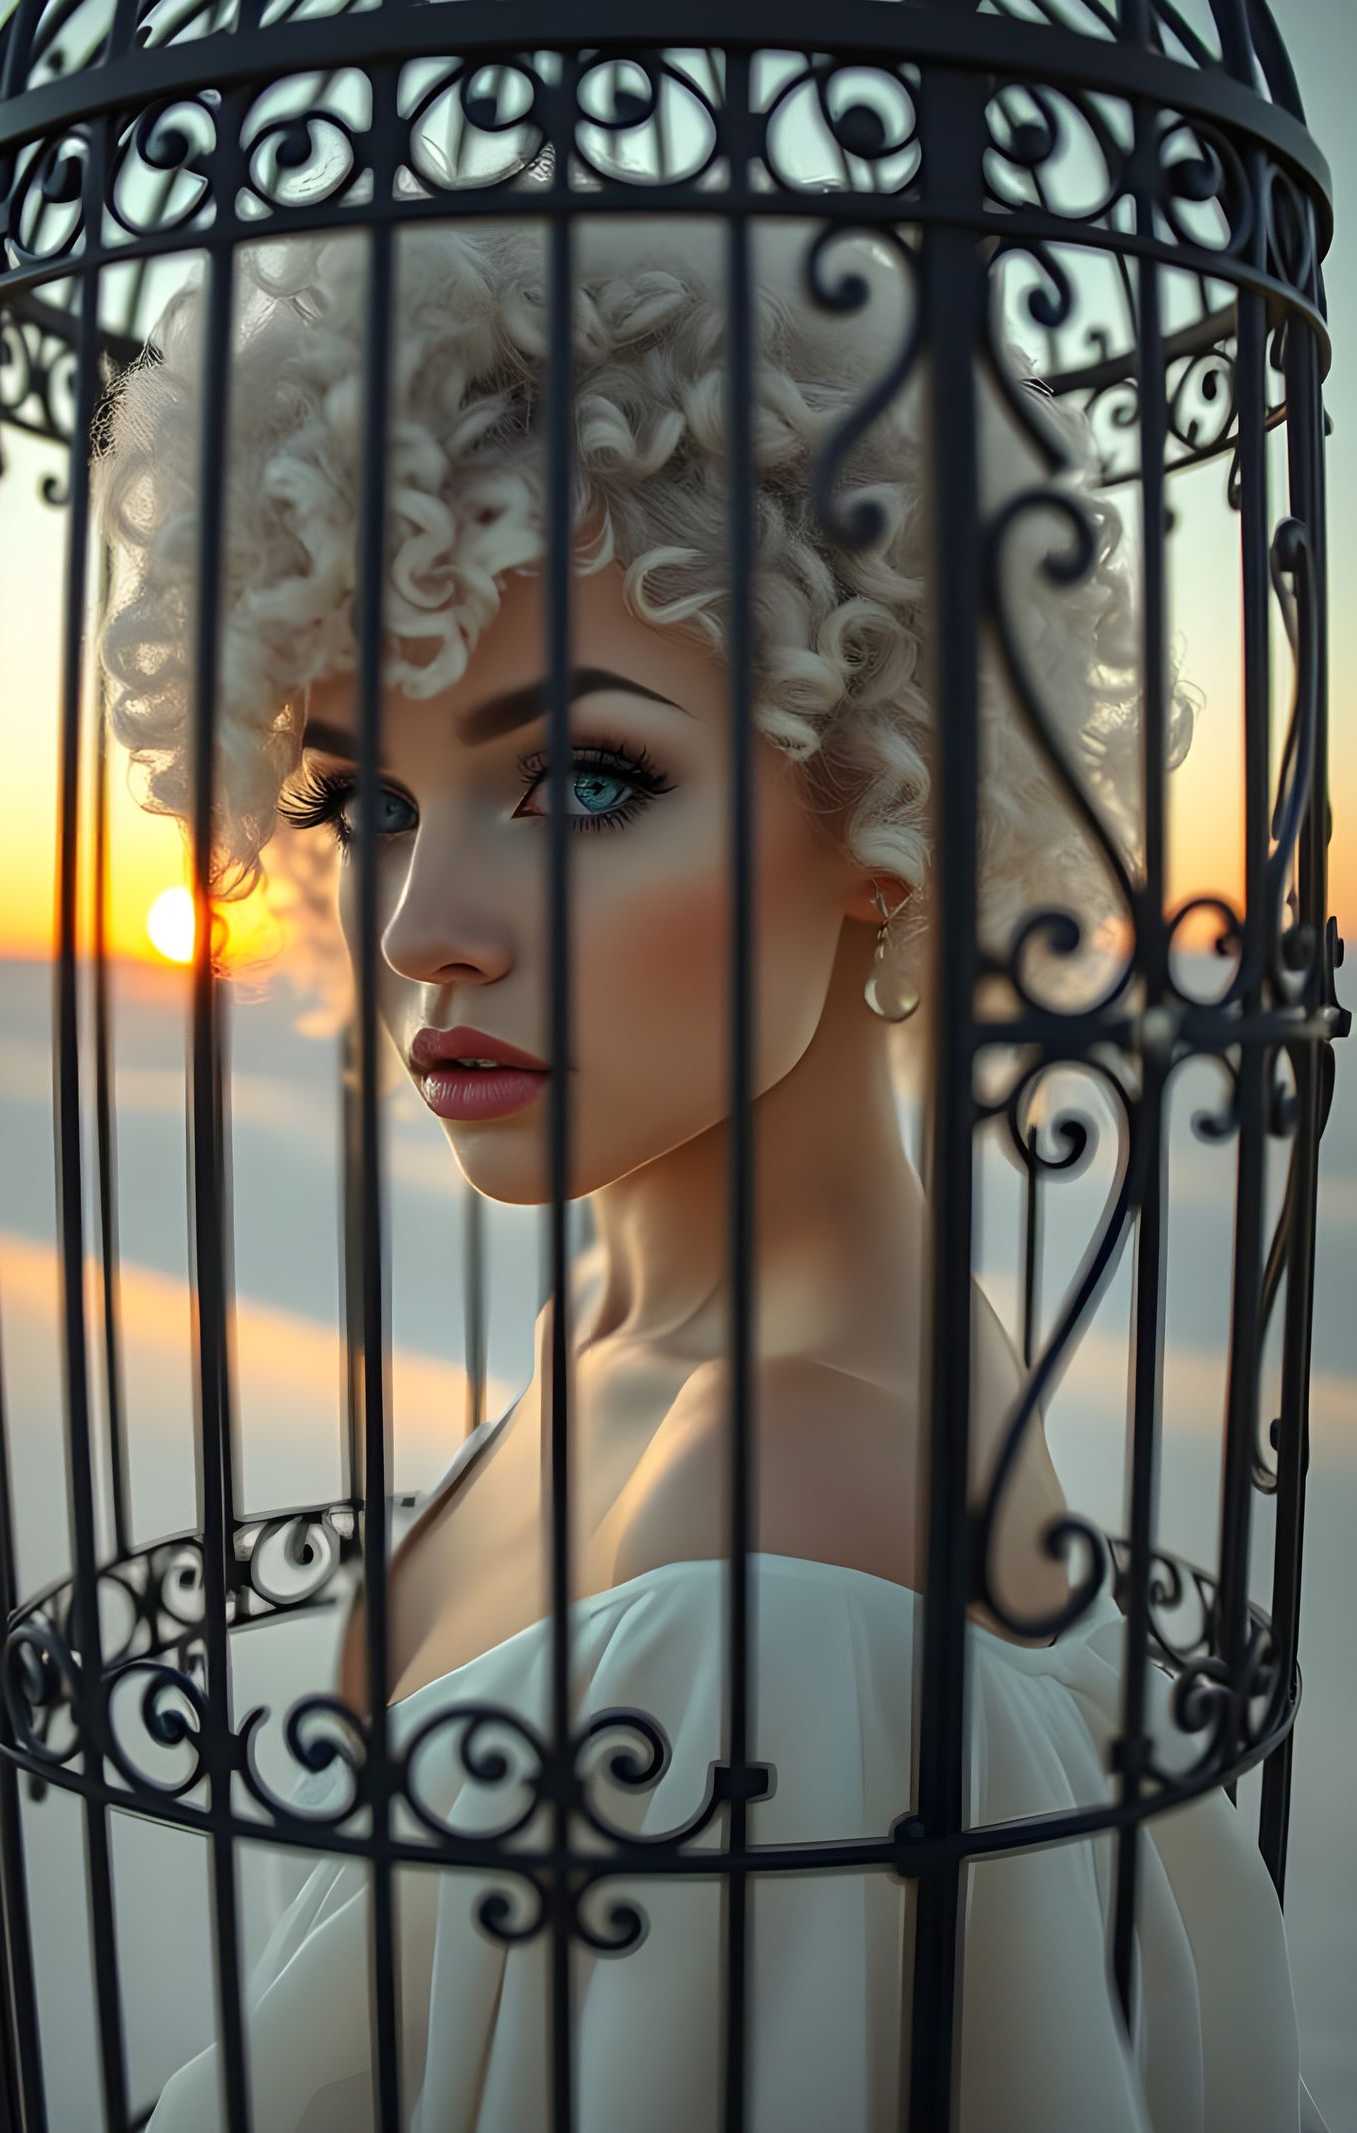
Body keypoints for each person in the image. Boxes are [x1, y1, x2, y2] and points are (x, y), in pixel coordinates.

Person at [95, 213, 1307, 2130]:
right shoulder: (653, 1342)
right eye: (368, 801)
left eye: (586, 779)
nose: (422, 927)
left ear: (897, 811)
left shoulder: (791, 1559)